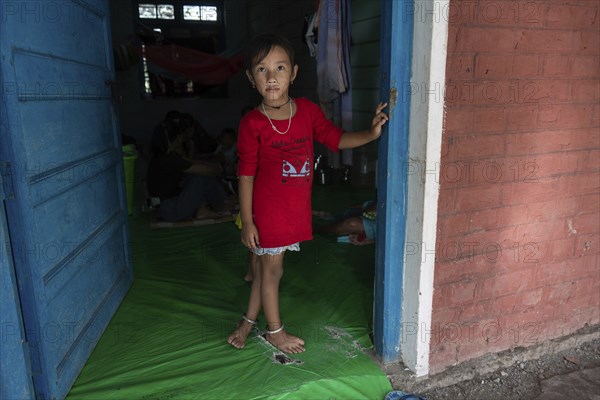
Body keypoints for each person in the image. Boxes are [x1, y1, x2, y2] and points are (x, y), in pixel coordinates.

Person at [227, 33, 388, 354]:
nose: (271, 77)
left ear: (294, 73)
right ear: (251, 77)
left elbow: (336, 139)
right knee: (272, 270)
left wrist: (370, 134)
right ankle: (275, 331)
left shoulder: (307, 112)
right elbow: (245, 176)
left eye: (280, 68)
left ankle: (246, 324)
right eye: (262, 70)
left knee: (264, 269)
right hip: (268, 211)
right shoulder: (252, 123)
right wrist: (248, 222)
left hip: (294, 210)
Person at [146, 112, 226, 222]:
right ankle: (221, 203)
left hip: (163, 206)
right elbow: (207, 170)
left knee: (196, 175)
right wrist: (219, 167)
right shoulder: (169, 158)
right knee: (201, 177)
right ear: (174, 139)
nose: (181, 139)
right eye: (179, 136)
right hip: (169, 209)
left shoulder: (161, 156)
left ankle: (206, 207)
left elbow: (190, 162)